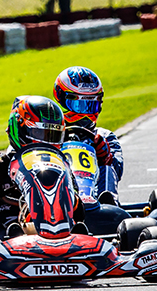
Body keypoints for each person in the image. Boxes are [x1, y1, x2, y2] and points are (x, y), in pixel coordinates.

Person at [0, 95, 71, 245]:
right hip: (8, 229)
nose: (46, 142)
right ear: (20, 129)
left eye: (52, 136)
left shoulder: (62, 166)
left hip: (59, 227)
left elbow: (78, 206)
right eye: (39, 134)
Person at [53, 66, 123, 201]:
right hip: (60, 201)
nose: (85, 113)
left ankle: (107, 201)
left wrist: (105, 159)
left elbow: (118, 170)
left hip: (98, 202)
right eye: (79, 105)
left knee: (108, 163)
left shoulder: (105, 137)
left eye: (91, 105)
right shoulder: (50, 137)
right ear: (60, 99)